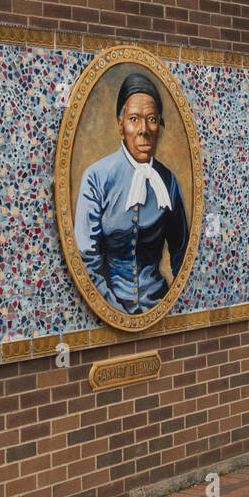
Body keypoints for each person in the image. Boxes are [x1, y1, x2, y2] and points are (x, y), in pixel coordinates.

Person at [75, 72, 189, 315]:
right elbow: (86, 259)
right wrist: (116, 313)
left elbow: (182, 251)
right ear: (120, 125)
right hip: (109, 308)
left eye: (151, 119)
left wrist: (173, 306)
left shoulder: (167, 181)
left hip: (159, 305)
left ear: (159, 125)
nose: (144, 130)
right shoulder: (97, 177)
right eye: (134, 119)